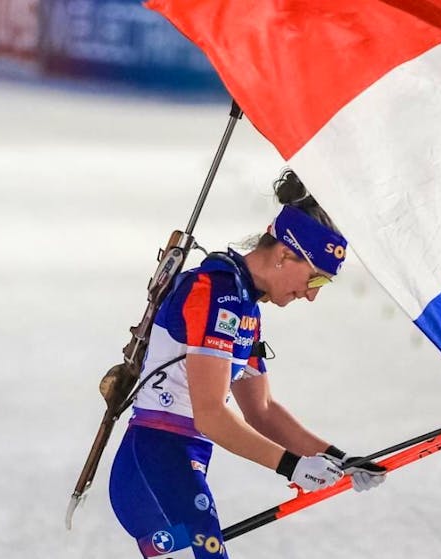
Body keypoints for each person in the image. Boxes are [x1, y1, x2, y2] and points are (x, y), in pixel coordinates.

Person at [108, 169, 385, 559]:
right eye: (315, 280)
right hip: (156, 461)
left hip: (182, 463)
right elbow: (211, 416)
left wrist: (340, 458)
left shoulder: (245, 306)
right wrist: (292, 467)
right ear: (285, 254)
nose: (310, 296)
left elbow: (262, 410)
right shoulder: (215, 293)